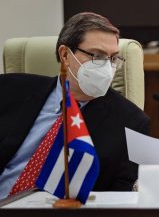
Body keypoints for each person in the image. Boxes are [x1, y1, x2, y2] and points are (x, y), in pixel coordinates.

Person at [0, 12, 150, 199]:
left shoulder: (132, 123)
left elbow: (123, 196)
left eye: (113, 59)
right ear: (65, 55)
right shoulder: (8, 90)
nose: (107, 67)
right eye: (97, 55)